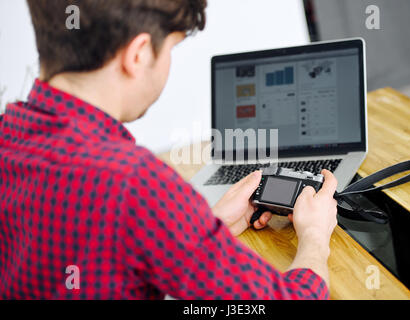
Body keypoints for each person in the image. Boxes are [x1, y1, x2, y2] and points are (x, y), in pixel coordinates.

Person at [0, 0, 338, 299]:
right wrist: (314, 238)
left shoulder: (8, 135)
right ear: (139, 54)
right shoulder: (133, 182)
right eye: (171, 50)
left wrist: (204, 228)